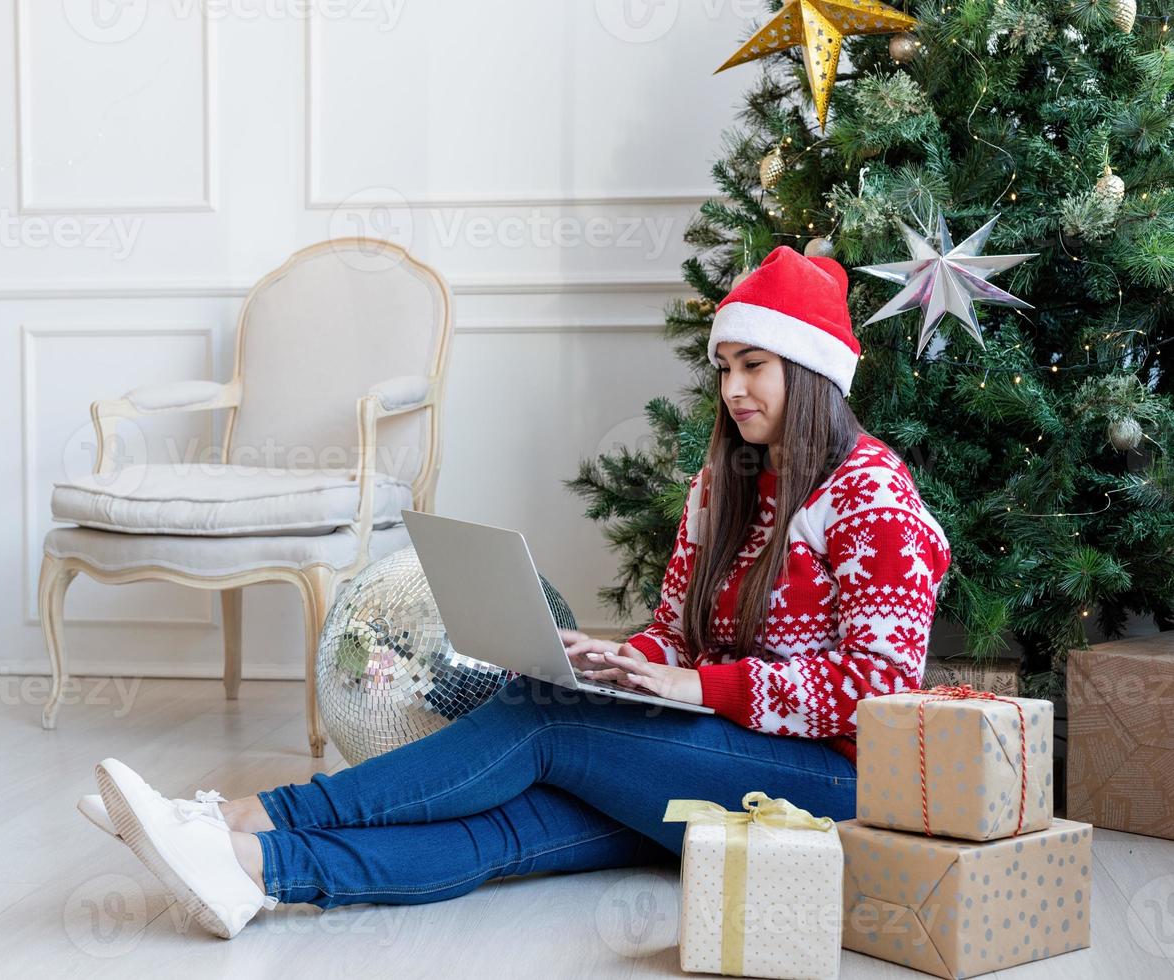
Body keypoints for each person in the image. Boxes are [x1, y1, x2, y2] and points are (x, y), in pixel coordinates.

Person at [80, 244, 953, 939]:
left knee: (542, 717)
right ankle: (250, 872)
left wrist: (702, 687)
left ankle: (252, 815)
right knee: (514, 827)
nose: (730, 390)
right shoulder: (719, 487)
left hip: (827, 789)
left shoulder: (872, 494)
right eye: (722, 366)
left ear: (809, 375)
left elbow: (880, 690)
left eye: (753, 366)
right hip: (714, 757)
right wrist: (628, 660)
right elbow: (674, 638)